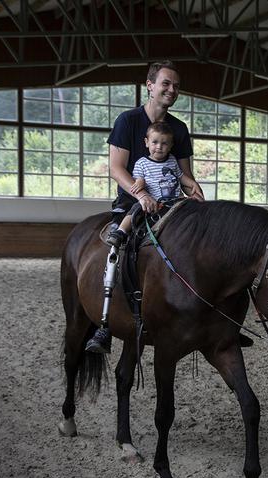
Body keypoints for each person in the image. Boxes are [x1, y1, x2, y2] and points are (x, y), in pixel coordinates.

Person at [85, 60, 204, 354]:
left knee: (202, 247)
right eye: (165, 83)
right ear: (150, 86)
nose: (171, 89)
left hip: (171, 204)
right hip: (133, 202)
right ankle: (105, 323)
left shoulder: (180, 129)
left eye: (176, 85)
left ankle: (206, 318)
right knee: (120, 250)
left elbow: (184, 174)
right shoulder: (128, 121)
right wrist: (140, 197)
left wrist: (195, 190)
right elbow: (116, 167)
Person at [104, 121, 198, 249]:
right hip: (154, 203)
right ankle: (120, 232)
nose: (159, 147)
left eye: (164, 143)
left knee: (193, 210)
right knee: (136, 209)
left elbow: (180, 176)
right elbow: (138, 179)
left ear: (170, 145)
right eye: (155, 142)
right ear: (147, 142)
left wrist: (192, 184)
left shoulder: (172, 160)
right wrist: (139, 182)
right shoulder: (142, 163)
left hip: (175, 202)